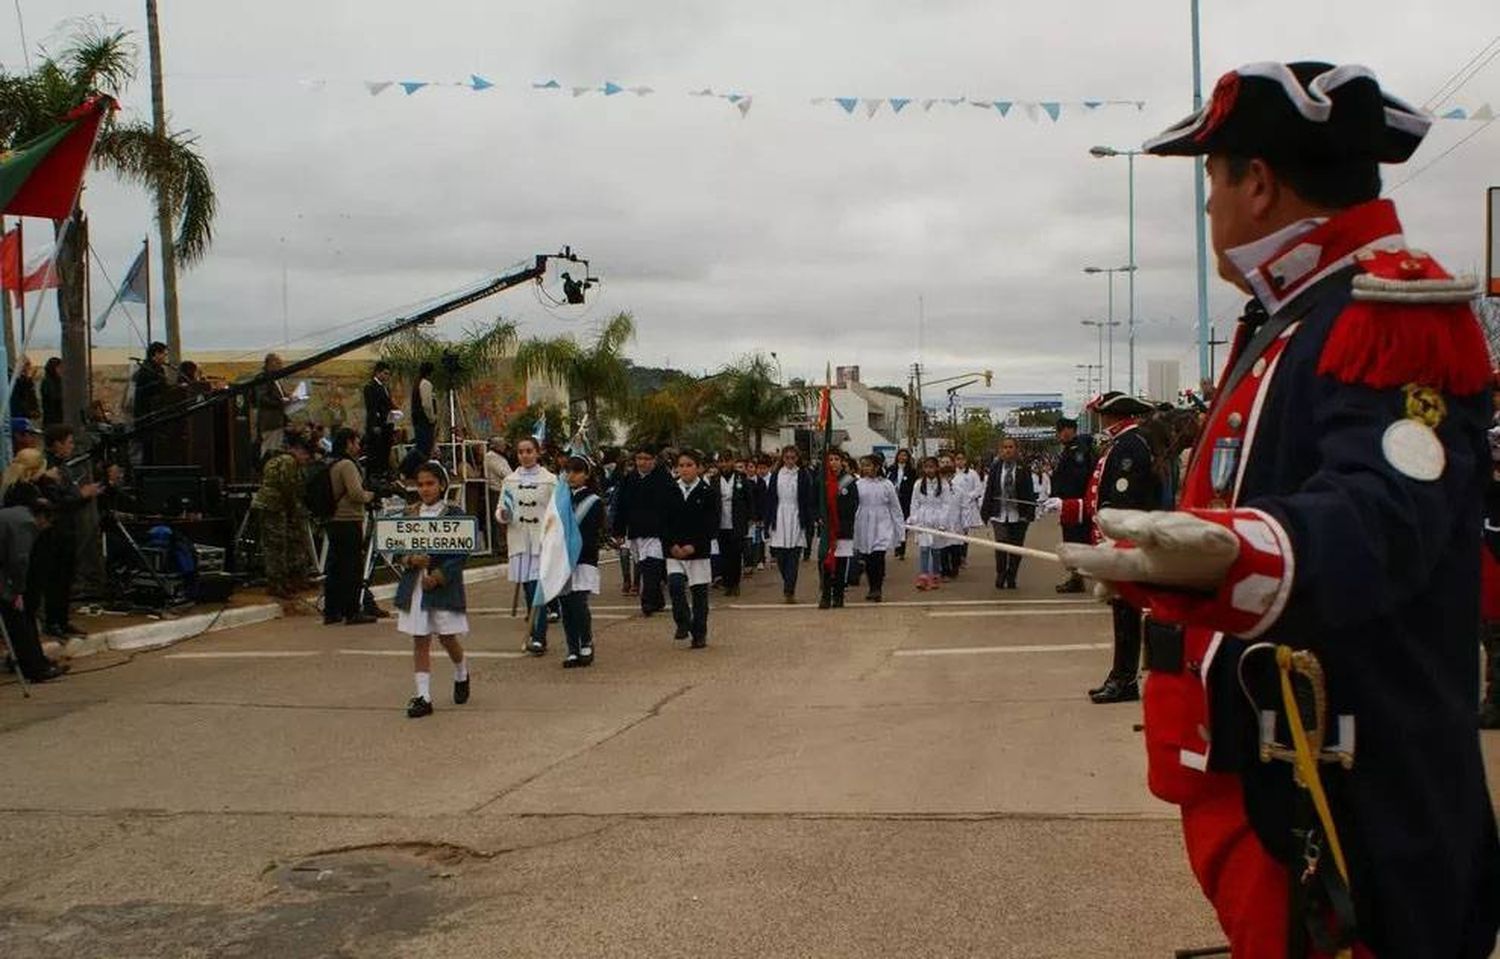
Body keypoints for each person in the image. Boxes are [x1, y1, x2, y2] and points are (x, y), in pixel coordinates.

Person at [1058, 62, 1500, 957]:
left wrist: (1232, 553)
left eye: (1212, 179)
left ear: (1258, 182)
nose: (1209, 205)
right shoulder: (1294, 312)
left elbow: (1384, 517)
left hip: (1358, 805)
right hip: (1280, 785)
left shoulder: (1386, 310)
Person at [1047, 391, 1158, 704]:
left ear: (1114, 415)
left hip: (1123, 543)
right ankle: (1120, 676)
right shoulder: (1120, 445)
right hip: (1115, 541)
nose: (1099, 420)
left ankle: (1124, 680)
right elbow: (1100, 498)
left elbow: (1122, 503)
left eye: (1102, 414)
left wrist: (1112, 544)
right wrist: (1070, 507)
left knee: (1126, 616)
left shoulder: (1130, 447)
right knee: (1121, 616)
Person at [393, 461, 469, 719]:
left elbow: (460, 554)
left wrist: (439, 576)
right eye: (421, 484)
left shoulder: (454, 514)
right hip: (415, 586)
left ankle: (461, 672)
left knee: (447, 637)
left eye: (430, 483)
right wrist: (411, 560)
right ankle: (424, 696)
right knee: (420, 639)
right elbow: (398, 548)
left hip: (442, 588)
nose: (425, 489)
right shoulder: (410, 513)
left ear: (442, 485)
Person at [33, 426, 104, 640]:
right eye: (69, 442)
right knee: (54, 580)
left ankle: (62, 621)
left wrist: (86, 494)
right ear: (57, 444)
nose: (71, 447)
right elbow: (57, 500)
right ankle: (52, 622)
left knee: (66, 578)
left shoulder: (63, 467)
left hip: (67, 530)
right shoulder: (47, 468)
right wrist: (81, 494)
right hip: (53, 533)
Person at [497, 437, 557, 654]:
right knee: (528, 589)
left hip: (541, 542)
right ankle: (535, 631)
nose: (525, 455)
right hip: (519, 542)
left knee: (535, 590)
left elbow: (556, 511)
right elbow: (501, 508)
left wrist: (550, 533)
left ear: (537, 452)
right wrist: (503, 514)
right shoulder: (510, 481)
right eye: (521, 451)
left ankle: (539, 636)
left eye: (529, 451)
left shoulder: (550, 480)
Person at [0, 493, 65, 682]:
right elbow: (19, 560)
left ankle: (31, 663)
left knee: (16, 616)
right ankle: (34, 668)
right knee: (17, 616)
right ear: (43, 517)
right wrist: (17, 590)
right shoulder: (26, 524)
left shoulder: (14, 513)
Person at [662, 449, 716, 648]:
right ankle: (682, 621)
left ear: (699, 468)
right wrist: (672, 545)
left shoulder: (707, 492)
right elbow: (664, 522)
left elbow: (711, 524)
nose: (684, 469)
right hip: (674, 552)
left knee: (699, 594)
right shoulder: (670, 491)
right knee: (675, 586)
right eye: (681, 465)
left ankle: (699, 633)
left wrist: (693, 545)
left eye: (689, 465)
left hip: (697, 552)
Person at [611, 447, 674, 616]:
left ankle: (647, 601)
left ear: (654, 460)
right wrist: (618, 530)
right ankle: (658, 599)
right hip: (636, 530)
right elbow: (621, 506)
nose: (642, 462)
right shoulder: (629, 479)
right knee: (644, 564)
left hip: (657, 532)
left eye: (647, 458)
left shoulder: (664, 478)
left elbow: (672, 506)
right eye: (639, 458)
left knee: (651, 565)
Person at [251, 434, 314, 598]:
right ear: (298, 451)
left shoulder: (280, 459)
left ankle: (283, 582)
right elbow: (288, 487)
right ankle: (276, 584)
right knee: (276, 546)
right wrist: (294, 510)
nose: (306, 459)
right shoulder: (288, 461)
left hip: (272, 506)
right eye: (305, 454)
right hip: (273, 507)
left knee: (280, 545)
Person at [324, 428, 376, 626]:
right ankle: (352, 611)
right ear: (348, 443)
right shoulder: (346, 465)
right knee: (352, 567)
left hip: (334, 520)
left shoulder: (331, 463)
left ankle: (332, 611)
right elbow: (356, 494)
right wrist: (370, 495)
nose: (358, 446)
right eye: (356, 442)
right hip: (348, 520)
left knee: (336, 567)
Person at [560, 456, 604, 668]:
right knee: (566, 605)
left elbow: (591, 533)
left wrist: (576, 551)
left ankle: (586, 641)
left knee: (578, 602)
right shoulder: (560, 498)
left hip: (583, 557)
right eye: (568, 471)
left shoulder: (594, 501)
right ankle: (572, 648)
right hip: (561, 560)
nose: (571, 476)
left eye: (576, 471)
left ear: (586, 474)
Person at [981, 437, 1037, 590]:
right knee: (1001, 543)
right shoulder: (995, 468)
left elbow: (1029, 492)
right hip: (999, 513)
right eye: (1004, 447)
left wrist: (1029, 513)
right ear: (1000, 450)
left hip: (1019, 514)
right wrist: (985, 512)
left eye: (1011, 447)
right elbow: (989, 491)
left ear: (1016, 449)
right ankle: (1000, 573)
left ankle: (1012, 575)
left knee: (1016, 547)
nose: (1007, 450)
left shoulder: (1023, 468)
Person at [762, 445, 816, 603]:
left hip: (796, 515)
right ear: (782, 459)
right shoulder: (776, 474)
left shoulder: (803, 475)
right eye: (787, 458)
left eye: (793, 458)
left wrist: (808, 519)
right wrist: (767, 521)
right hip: (779, 515)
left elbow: (808, 499)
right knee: (780, 555)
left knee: (793, 553)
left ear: (797, 458)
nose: (790, 461)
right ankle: (787, 581)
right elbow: (771, 498)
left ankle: (789, 589)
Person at [1049, 417, 1094, 593]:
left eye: (1063, 430)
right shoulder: (1070, 449)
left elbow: (1077, 478)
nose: (1061, 434)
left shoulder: (1078, 450)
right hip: (1069, 504)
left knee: (1076, 541)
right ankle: (1076, 578)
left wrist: (1063, 497)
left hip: (1076, 503)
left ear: (1071, 430)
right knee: (1072, 541)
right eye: (1059, 431)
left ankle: (1078, 578)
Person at [853, 455, 903, 602]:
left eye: (868, 465)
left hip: (881, 521)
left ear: (876, 466)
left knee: (878, 555)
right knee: (868, 558)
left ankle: (877, 588)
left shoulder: (887, 485)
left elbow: (895, 508)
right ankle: (871, 586)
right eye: (863, 465)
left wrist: (899, 530)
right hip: (864, 521)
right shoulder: (858, 484)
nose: (865, 468)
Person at [817, 448, 859, 609]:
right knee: (826, 563)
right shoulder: (822, 480)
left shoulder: (849, 481)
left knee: (841, 564)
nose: (833, 462)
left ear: (842, 461)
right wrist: (820, 517)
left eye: (836, 459)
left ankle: (839, 596)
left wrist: (840, 518)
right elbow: (815, 502)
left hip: (843, 527)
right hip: (827, 528)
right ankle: (825, 595)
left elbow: (853, 504)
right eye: (830, 459)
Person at [908, 456, 958, 591]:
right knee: (924, 549)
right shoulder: (918, 484)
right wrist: (914, 519)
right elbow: (914, 503)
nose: (929, 470)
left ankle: (935, 575)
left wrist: (942, 521)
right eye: (926, 467)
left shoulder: (944, 484)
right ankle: (923, 576)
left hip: (937, 518)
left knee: (936, 550)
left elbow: (947, 504)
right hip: (923, 518)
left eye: (931, 467)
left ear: (936, 468)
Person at [712, 450, 752, 597]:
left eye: (727, 461)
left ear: (733, 462)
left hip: (737, 522)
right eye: (721, 461)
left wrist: (750, 517)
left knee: (735, 554)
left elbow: (749, 499)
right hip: (721, 522)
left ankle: (735, 583)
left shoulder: (741, 478)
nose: (724, 464)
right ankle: (727, 583)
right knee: (724, 555)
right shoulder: (714, 480)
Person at [361, 361, 396, 480]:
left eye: (388, 374)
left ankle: (383, 473)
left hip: (387, 424)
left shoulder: (384, 388)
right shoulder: (370, 387)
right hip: (378, 425)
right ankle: (375, 476)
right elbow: (372, 408)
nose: (387, 376)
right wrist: (374, 425)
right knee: (376, 452)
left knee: (385, 451)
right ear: (378, 373)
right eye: (385, 373)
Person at [254, 353, 292, 458]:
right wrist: (281, 402)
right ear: (271, 363)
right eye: (279, 363)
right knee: (269, 448)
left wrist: (288, 397)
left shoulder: (275, 379)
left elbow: (276, 396)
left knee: (275, 448)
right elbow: (262, 398)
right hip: (269, 421)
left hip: (277, 420)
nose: (281, 366)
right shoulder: (263, 378)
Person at [950, 451, 984, 568]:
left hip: (967, 508)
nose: (960, 461)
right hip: (952, 508)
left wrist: (968, 497)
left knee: (963, 533)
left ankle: (962, 557)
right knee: (951, 532)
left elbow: (978, 489)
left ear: (966, 460)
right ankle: (953, 558)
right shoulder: (951, 474)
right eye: (957, 459)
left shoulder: (972, 474)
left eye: (962, 459)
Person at [887, 448, 916, 560]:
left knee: (903, 525)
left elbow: (912, 487)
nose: (902, 457)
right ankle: (896, 547)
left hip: (905, 501)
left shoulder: (912, 471)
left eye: (905, 456)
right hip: (893, 500)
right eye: (900, 455)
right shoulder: (891, 469)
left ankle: (902, 550)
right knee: (894, 524)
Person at [411, 362, 438, 458]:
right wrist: (432, 418)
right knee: (425, 449)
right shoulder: (425, 384)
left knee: (420, 447)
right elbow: (426, 405)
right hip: (424, 421)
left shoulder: (417, 383)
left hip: (418, 420)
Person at [8, 356, 39, 423]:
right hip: (18, 412)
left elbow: (31, 396)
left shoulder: (24, 379)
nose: (29, 367)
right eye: (27, 365)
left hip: (25, 411)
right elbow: (21, 394)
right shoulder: (15, 379)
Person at [39, 357, 62, 428]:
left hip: (59, 417)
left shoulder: (60, 381)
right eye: (60, 368)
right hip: (53, 419)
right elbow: (54, 398)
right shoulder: (47, 382)